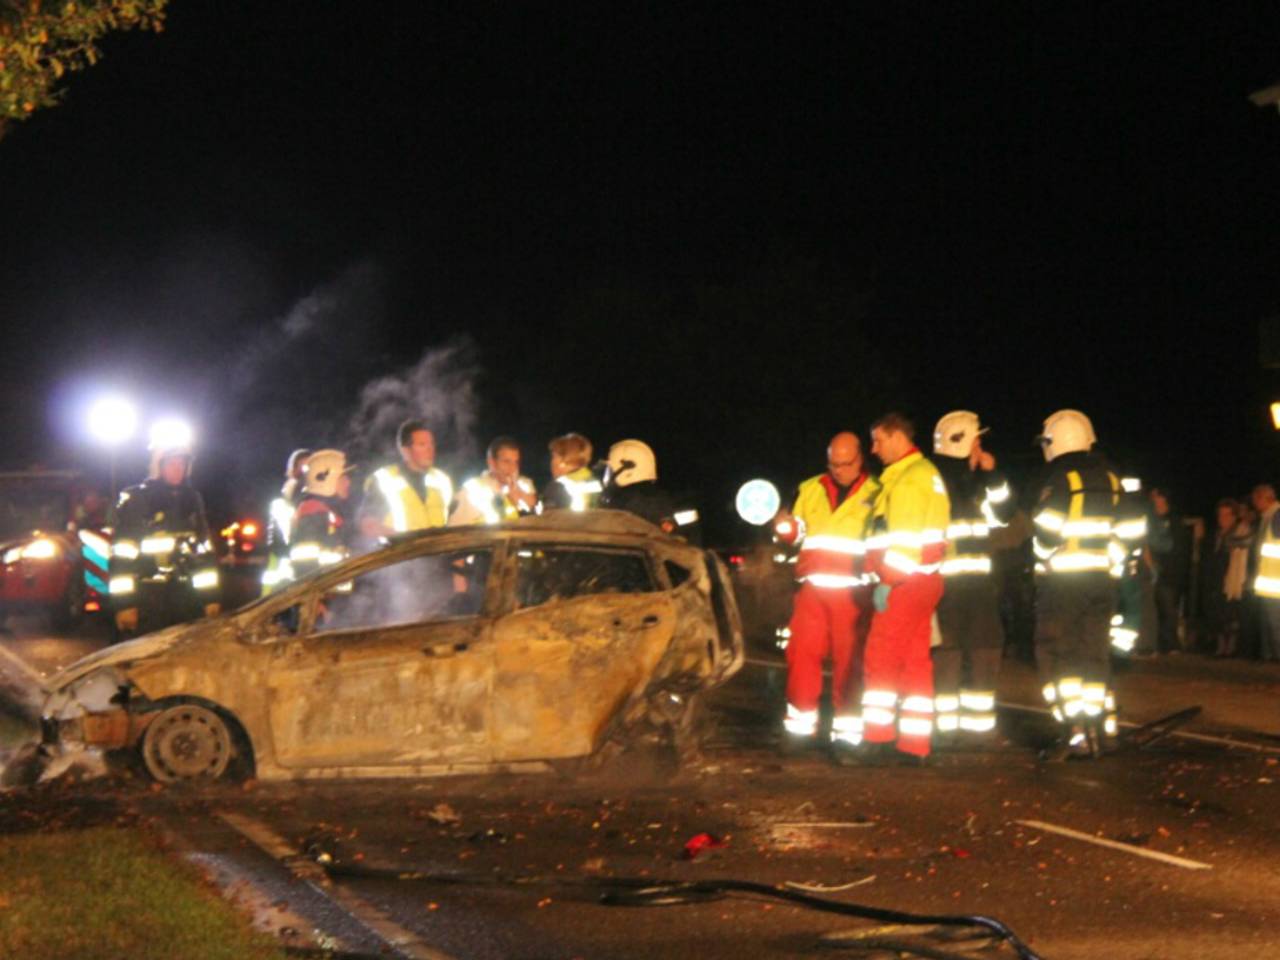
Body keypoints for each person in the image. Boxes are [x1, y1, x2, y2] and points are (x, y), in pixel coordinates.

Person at [1030, 409, 1145, 758]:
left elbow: (1046, 531)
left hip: (1064, 583)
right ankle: (1096, 730)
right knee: (1093, 655)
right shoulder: (1112, 478)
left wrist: (1042, 557)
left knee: (1057, 655)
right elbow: (1132, 531)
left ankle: (1072, 732)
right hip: (1102, 582)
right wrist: (1113, 560)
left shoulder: (1061, 478)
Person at [771, 432, 879, 759]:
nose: (838, 471)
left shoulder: (877, 492)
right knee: (800, 655)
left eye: (845, 464)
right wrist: (787, 530)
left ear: (859, 460)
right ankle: (800, 731)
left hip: (854, 592)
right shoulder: (809, 488)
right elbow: (797, 533)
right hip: (813, 590)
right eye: (833, 464)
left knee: (850, 666)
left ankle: (847, 738)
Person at [860, 413, 950, 762]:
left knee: (880, 658)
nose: (874, 448)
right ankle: (914, 745)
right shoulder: (920, 474)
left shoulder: (909, 480)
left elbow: (905, 543)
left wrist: (887, 581)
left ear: (898, 437)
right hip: (923, 581)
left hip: (904, 582)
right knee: (915, 662)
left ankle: (877, 739)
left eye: (878, 440)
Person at [930, 411, 1015, 745]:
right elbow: (1006, 516)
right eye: (977, 440)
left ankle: (948, 731)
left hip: (958, 588)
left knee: (954, 656)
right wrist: (990, 476)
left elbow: (1005, 514)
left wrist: (992, 476)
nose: (981, 446)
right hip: (960, 588)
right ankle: (971, 732)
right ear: (965, 444)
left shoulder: (974, 481)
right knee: (978, 652)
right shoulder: (957, 484)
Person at [109, 429, 220, 639]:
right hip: (148, 599)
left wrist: (210, 599)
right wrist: (125, 605)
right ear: (158, 465)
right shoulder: (137, 499)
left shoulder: (192, 500)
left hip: (187, 598)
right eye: (171, 463)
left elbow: (204, 554)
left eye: (182, 464)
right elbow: (122, 557)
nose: (177, 469)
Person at [359, 420, 453, 539]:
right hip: (402, 555)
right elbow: (368, 525)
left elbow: (452, 522)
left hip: (439, 555)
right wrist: (404, 540)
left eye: (432, 444)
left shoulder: (442, 479)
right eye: (422, 444)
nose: (430, 450)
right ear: (405, 450)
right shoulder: (385, 480)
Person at [598, 439, 700, 539]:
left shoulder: (625, 500)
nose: (608, 475)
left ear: (627, 469)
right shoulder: (661, 497)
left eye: (610, 469)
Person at [289, 450, 355, 580]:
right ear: (327, 481)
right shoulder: (313, 511)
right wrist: (316, 597)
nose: (348, 483)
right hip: (322, 595)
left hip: (333, 593)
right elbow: (305, 566)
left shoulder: (329, 511)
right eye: (343, 478)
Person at [449, 436, 537, 525]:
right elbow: (456, 528)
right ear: (491, 462)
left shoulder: (524, 484)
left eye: (516, 462)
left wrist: (518, 495)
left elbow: (536, 511)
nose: (513, 468)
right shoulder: (472, 490)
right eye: (506, 462)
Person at [1203, 499, 1251, 658]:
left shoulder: (1239, 533)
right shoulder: (1216, 534)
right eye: (1220, 515)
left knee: (1231, 614)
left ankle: (1230, 648)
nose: (1222, 519)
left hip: (1233, 579)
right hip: (1217, 579)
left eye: (1226, 515)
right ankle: (1220, 647)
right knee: (1217, 613)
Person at [1148, 487, 1191, 654]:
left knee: (1168, 609)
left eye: (1155, 497)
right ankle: (1159, 643)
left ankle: (1171, 644)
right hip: (1153, 571)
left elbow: (1177, 548)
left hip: (1169, 572)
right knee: (1155, 609)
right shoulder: (1151, 520)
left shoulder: (1174, 521)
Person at [262, 448, 310, 594]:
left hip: (299, 579)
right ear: (292, 470)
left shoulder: (312, 499)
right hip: (284, 584)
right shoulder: (284, 503)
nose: (307, 473)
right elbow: (282, 545)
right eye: (303, 467)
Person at [1249, 483, 1280, 662]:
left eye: (1256, 500)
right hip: (1270, 583)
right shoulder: (1269, 517)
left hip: (1275, 584)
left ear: (1263, 499)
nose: (1255, 505)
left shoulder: (1275, 517)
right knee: (1272, 625)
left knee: (1275, 625)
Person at [541, 433, 603, 512]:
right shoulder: (596, 483)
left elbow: (547, 520)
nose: (551, 462)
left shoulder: (557, 487)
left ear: (562, 461)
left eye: (554, 457)